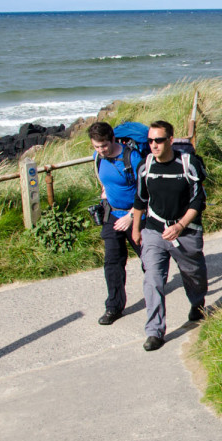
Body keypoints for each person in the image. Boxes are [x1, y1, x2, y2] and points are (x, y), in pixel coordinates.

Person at [131, 121, 208, 352]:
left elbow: (198, 201)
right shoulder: (145, 167)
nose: (153, 145)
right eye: (150, 141)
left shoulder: (188, 164)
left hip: (185, 232)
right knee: (152, 278)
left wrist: (181, 225)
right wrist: (136, 229)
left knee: (193, 274)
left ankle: (197, 303)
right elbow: (140, 200)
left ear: (170, 140)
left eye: (159, 140)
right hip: (154, 230)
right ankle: (154, 331)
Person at [88, 121, 143, 326]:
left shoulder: (132, 157)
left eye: (104, 145)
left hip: (136, 216)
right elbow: (105, 180)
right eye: (96, 146)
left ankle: (155, 293)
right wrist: (105, 192)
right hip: (111, 216)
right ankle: (113, 307)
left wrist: (131, 216)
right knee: (112, 262)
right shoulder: (97, 159)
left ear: (112, 139)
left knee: (149, 259)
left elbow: (145, 190)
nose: (101, 150)